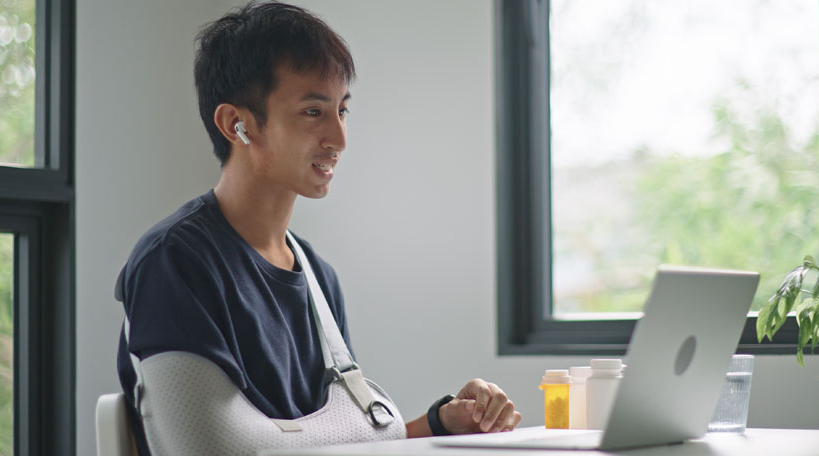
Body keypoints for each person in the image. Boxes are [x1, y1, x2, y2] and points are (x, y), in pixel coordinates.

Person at [115, 2, 521, 455]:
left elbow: (335, 438)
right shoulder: (174, 262)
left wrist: (439, 423)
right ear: (237, 124)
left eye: (342, 110)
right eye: (313, 112)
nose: (339, 138)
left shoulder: (317, 276)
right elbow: (214, 449)